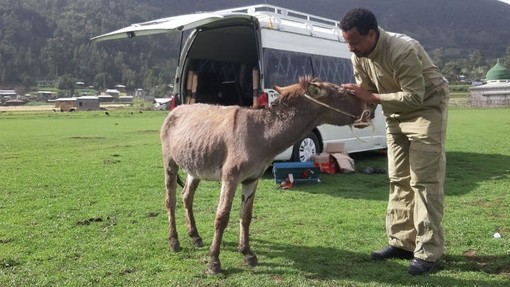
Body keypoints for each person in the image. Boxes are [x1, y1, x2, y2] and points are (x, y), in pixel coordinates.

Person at [339, 8, 449, 276]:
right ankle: (402, 242)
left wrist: (373, 98)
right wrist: (362, 113)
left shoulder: (402, 49)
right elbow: (367, 93)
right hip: (395, 115)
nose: (351, 49)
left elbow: (414, 97)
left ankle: (428, 251)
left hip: (426, 110)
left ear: (372, 34)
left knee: (424, 181)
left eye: (355, 42)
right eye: (347, 43)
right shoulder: (360, 56)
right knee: (398, 178)